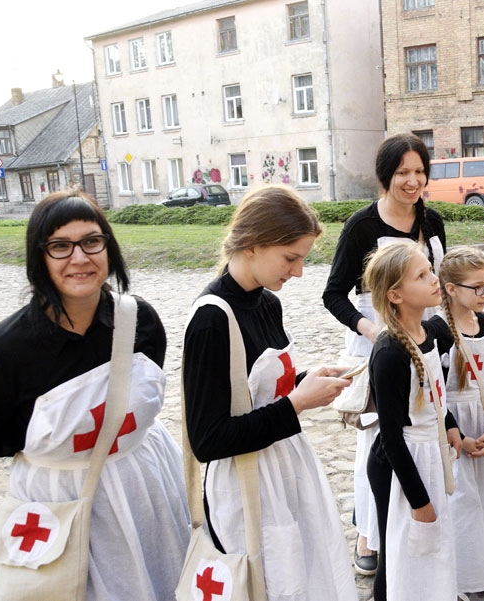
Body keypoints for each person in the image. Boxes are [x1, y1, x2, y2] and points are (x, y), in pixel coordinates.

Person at [0, 191, 190, 600]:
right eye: (60, 246)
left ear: (108, 249)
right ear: (39, 257)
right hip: (58, 499)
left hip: (142, 489)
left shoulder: (141, 322)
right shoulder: (5, 351)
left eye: (92, 241)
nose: (80, 258)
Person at [182, 184, 357, 601]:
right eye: (291, 258)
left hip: (286, 469)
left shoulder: (266, 303)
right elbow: (208, 440)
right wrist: (297, 403)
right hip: (245, 484)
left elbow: (260, 391)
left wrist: (305, 381)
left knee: (306, 575)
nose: (297, 272)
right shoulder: (210, 321)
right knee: (270, 584)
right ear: (253, 245)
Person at [322, 133, 446, 574]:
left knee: (422, 432)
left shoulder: (431, 222)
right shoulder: (362, 226)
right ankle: (369, 532)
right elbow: (333, 294)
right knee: (377, 440)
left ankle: (421, 515)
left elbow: (437, 281)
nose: (412, 182)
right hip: (378, 343)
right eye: (402, 174)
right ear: (385, 176)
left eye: (419, 172)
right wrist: (376, 332)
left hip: (422, 339)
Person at [363, 240, 463, 601]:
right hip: (400, 467)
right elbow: (391, 438)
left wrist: (449, 423)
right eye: (421, 275)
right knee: (399, 550)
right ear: (395, 295)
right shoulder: (389, 353)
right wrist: (419, 501)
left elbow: (434, 392)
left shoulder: (430, 331)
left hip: (428, 455)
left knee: (430, 545)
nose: (434, 279)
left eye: (429, 269)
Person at [434, 247, 484, 601]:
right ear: (450, 289)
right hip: (452, 431)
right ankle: (462, 580)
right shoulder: (435, 330)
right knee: (461, 504)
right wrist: (458, 436)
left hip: (481, 426)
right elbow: (434, 391)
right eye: (477, 287)